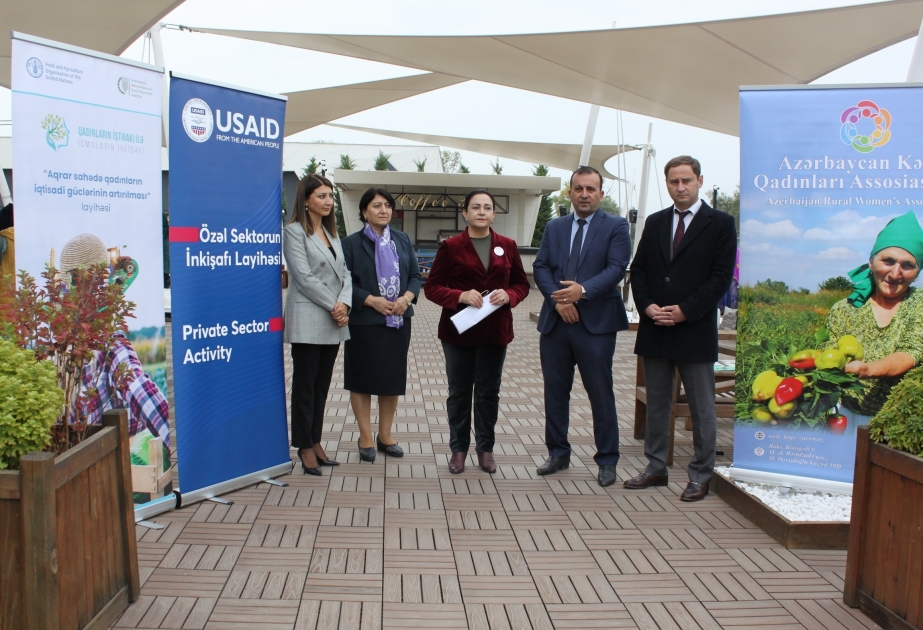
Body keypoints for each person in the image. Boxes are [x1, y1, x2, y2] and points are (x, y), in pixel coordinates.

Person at [626, 155, 736, 502]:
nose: (681, 187)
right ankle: (656, 467)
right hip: (656, 326)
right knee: (657, 404)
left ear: (700, 180)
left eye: (687, 180)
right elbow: (639, 269)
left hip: (695, 328)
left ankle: (701, 474)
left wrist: (685, 311)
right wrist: (646, 307)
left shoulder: (720, 223)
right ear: (668, 183)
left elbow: (720, 278)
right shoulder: (656, 222)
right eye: (674, 181)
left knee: (703, 408)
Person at [533, 166, 630, 487]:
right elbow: (541, 266)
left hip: (596, 325)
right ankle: (558, 453)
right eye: (578, 188)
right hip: (556, 321)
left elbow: (617, 268)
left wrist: (581, 292)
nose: (584, 194)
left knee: (600, 393)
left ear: (601, 194)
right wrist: (558, 301)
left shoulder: (615, 227)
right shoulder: (555, 227)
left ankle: (607, 459)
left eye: (591, 189)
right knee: (555, 392)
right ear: (570, 193)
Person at [424, 189, 530, 474]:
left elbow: (522, 284)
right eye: (475, 207)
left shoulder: (507, 245)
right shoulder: (451, 246)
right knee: (459, 392)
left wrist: (509, 295)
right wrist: (459, 295)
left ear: (494, 214)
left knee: (488, 392)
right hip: (459, 332)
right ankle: (458, 450)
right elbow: (432, 288)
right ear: (466, 213)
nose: (481, 212)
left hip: (495, 333)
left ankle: (486, 449)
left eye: (487, 207)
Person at [341, 188, 422, 462]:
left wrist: (407, 297)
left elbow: (414, 275)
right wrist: (369, 300)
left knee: (391, 380)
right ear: (364, 211)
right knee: (361, 379)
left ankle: (385, 435)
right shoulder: (350, 244)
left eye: (388, 205)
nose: (383, 210)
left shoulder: (401, 239)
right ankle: (365, 435)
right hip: (364, 321)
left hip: (397, 321)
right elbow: (343, 283)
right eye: (377, 205)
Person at [824, 211, 923, 428]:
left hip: (899, 424)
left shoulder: (919, 305)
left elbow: (910, 353)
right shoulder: (844, 309)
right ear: (871, 262)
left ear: (917, 273)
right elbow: (827, 355)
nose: (895, 273)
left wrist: (868, 369)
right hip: (844, 416)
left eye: (907, 265)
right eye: (888, 261)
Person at [283, 174, 351, 475]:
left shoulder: (330, 232)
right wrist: (334, 305)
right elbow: (302, 276)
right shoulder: (294, 232)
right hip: (310, 317)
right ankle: (304, 446)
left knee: (322, 387)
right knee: (305, 388)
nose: (327, 201)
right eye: (321, 196)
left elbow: (346, 273)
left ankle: (316, 440)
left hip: (333, 319)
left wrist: (345, 303)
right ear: (306, 199)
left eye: (330, 196)